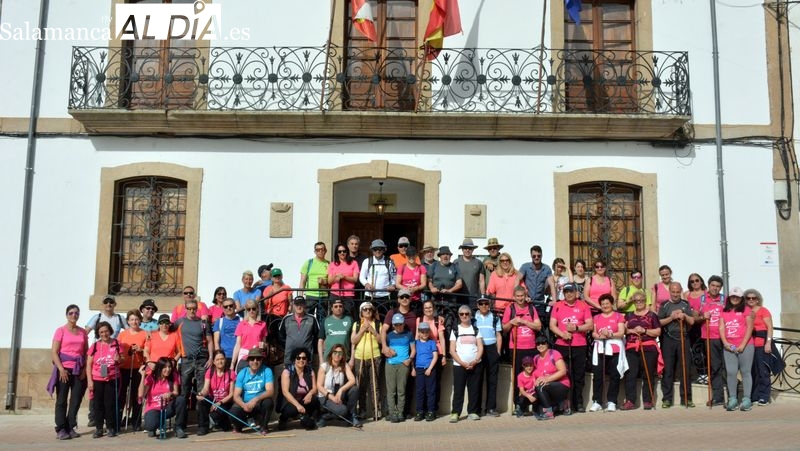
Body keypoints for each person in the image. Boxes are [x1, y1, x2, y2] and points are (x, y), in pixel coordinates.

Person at [549, 282, 593, 412]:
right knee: (562, 375)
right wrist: (562, 334)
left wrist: (577, 328)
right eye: (566, 292)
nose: (568, 294)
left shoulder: (583, 305)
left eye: (571, 291)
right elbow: (552, 325)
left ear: (576, 293)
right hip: (561, 344)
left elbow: (590, 325)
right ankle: (562, 402)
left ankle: (578, 403)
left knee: (578, 375)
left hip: (579, 345)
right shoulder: (558, 305)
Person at [49, 304, 88, 440]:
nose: (74, 315)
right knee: (61, 400)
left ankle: (70, 426)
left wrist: (84, 370)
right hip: (64, 369)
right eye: (71, 313)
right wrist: (61, 369)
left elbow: (86, 352)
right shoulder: (60, 331)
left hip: (78, 369)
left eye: (76, 313)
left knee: (76, 399)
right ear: (66, 315)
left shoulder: (83, 332)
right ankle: (60, 428)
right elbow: (54, 352)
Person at [503, 286, 541, 415]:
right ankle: (518, 404)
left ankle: (535, 404)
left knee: (533, 377)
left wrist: (524, 322)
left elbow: (538, 326)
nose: (520, 298)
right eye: (517, 296)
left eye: (522, 296)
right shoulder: (510, 308)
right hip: (516, 348)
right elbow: (504, 328)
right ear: (514, 296)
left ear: (525, 296)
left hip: (531, 348)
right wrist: (512, 322)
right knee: (518, 378)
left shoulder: (531, 308)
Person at [174, 298, 214, 421]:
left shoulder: (203, 323)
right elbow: (167, 332)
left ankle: (203, 423)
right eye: (189, 308)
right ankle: (181, 423)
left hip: (201, 360)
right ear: (185, 309)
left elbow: (210, 341)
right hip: (186, 360)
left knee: (202, 392)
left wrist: (211, 357)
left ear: (197, 309)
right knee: (184, 392)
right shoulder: (179, 322)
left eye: (194, 308)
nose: (192, 311)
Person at [658, 281, 695, 408]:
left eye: (677, 292)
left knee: (685, 368)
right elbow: (659, 322)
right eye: (673, 292)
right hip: (668, 339)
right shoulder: (665, 305)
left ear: (680, 291)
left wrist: (684, 315)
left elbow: (692, 321)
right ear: (670, 291)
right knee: (668, 369)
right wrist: (672, 317)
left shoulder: (685, 304)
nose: (675, 294)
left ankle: (686, 398)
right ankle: (667, 399)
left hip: (683, 338)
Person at [622, 290, 661, 410]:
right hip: (632, 348)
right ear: (633, 302)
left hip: (648, 347)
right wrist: (632, 331)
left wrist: (644, 331)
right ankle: (630, 401)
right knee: (630, 374)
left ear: (645, 301)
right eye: (636, 301)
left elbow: (658, 331)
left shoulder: (652, 315)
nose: (639, 302)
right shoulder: (628, 315)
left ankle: (648, 400)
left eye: (641, 300)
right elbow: (623, 330)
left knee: (648, 374)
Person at [589, 294, 627, 413]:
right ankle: (597, 401)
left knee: (614, 375)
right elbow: (593, 333)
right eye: (603, 304)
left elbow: (621, 333)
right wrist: (600, 336)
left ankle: (612, 401)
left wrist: (610, 335)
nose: (605, 306)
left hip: (615, 349)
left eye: (607, 303)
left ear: (612, 304)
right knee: (598, 376)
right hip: (600, 348)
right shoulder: (597, 317)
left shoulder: (618, 316)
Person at [720, 287, 755, 411]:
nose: (735, 299)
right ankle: (733, 399)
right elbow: (722, 327)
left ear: (741, 298)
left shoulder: (746, 310)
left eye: (737, 297)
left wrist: (743, 345)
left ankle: (746, 399)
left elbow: (750, 328)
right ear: (729, 297)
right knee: (731, 372)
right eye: (733, 296)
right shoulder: (724, 310)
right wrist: (725, 343)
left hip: (746, 346)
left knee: (745, 372)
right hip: (729, 346)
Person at [86, 321, 122, 438]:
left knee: (110, 404)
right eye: (101, 332)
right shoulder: (95, 346)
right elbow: (88, 364)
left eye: (106, 331)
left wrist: (119, 359)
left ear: (110, 331)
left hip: (112, 378)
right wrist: (90, 381)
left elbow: (123, 359)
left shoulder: (116, 343)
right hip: (97, 379)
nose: (104, 334)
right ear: (98, 333)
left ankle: (111, 427)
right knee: (98, 405)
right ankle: (99, 428)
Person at [449, 305, 484, 423]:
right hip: (459, 366)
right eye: (462, 314)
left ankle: (473, 412)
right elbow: (452, 350)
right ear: (459, 316)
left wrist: (475, 360)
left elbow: (480, 347)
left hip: (475, 364)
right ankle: (455, 413)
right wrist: (462, 363)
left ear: (470, 315)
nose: (464, 316)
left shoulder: (476, 330)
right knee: (459, 390)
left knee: (474, 389)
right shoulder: (455, 330)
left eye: (467, 314)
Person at [230, 348, 275, 435]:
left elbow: (270, 391)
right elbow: (236, 395)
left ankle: (263, 426)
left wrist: (255, 400)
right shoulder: (242, 373)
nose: (255, 361)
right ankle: (239, 427)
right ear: (248, 360)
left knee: (268, 403)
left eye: (258, 359)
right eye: (252, 359)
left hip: (259, 403)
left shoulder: (267, 371)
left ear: (261, 360)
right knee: (233, 412)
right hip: (245, 403)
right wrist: (244, 405)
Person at [139, 357, 186, 439]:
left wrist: (170, 393)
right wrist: (143, 376)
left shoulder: (173, 376)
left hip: (167, 407)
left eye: (169, 367)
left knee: (181, 399)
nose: (168, 369)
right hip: (153, 408)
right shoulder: (151, 377)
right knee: (151, 426)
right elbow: (141, 394)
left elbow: (176, 392)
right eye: (165, 367)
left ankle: (178, 427)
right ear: (159, 368)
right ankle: (155, 426)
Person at [316, 343, 361, 428]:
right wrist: (331, 397)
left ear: (343, 355)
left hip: (338, 395)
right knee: (343, 411)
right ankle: (326, 416)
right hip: (326, 397)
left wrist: (341, 390)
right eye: (335, 352)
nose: (337, 354)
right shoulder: (324, 366)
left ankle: (352, 416)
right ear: (331, 353)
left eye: (340, 353)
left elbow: (352, 380)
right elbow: (319, 386)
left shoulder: (344, 365)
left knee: (354, 389)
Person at [697, 275, 725, 406]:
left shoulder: (725, 299)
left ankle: (732, 396)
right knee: (715, 367)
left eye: (718, 286)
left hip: (725, 337)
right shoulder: (702, 299)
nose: (715, 288)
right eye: (713, 285)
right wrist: (703, 316)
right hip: (709, 337)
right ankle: (718, 397)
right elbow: (694, 316)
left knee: (728, 367)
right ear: (708, 285)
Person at [351, 302, 382, 419]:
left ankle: (376, 411)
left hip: (375, 356)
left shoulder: (378, 323)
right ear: (361, 312)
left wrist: (373, 331)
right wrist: (362, 330)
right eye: (365, 309)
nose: (368, 311)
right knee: (360, 385)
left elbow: (381, 341)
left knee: (375, 385)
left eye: (370, 309)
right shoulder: (357, 324)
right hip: (360, 357)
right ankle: (362, 410)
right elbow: (353, 341)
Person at [118, 310, 147, 431]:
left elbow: (149, 351)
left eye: (136, 319)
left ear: (140, 320)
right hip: (123, 367)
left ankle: (136, 421)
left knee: (137, 396)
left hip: (138, 368)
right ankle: (118, 420)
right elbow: (118, 349)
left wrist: (141, 349)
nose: (134, 322)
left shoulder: (145, 334)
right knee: (121, 396)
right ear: (128, 321)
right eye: (132, 319)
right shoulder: (123, 334)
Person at [195, 350, 236, 435]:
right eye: (217, 359)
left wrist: (219, 403)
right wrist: (202, 394)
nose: (220, 361)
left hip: (225, 402)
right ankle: (203, 427)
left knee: (219, 417)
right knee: (201, 401)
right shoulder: (210, 372)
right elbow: (206, 389)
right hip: (212, 400)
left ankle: (220, 423)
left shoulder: (231, 373)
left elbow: (232, 394)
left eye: (222, 359)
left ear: (225, 360)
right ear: (213, 361)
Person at [384, 313, 416, 422]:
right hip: (390, 364)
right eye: (396, 324)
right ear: (393, 325)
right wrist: (388, 351)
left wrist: (409, 360)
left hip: (403, 365)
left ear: (403, 324)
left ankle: (400, 412)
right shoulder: (389, 336)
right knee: (391, 391)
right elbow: (384, 349)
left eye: (400, 324)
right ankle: (393, 413)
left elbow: (413, 349)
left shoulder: (409, 334)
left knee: (401, 390)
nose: (398, 326)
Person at [475, 296, 502, 417]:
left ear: (489, 304)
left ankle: (491, 408)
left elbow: (498, 335)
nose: (484, 306)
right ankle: (477, 409)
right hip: (478, 349)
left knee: (492, 380)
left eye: (486, 303)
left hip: (491, 349)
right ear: (478, 305)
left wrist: (498, 351)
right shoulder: (472, 317)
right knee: (477, 379)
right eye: (481, 304)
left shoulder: (495, 317)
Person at [531, 336, 571, 420]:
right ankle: (561, 404)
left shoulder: (554, 353)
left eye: (543, 343)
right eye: (538, 344)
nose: (540, 345)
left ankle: (549, 413)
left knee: (540, 387)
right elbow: (536, 373)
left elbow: (563, 371)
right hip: (547, 386)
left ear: (547, 344)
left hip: (561, 384)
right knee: (538, 410)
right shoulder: (536, 358)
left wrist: (547, 379)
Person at [279, 348, 320, 431]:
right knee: (292, 410)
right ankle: (283, 419)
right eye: (298, 358)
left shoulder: (310, 371)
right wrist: (298, 406)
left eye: (304, 358)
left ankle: (307, 417)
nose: (301, 360)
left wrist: (310, 394)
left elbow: (315, 388)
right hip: (290, 401)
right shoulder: (287, 372)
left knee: (314, 399)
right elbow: (285, 392)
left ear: (307, 359)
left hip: (303, 400)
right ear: (294, 359)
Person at [746, 288, 774, 405]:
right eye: (748, 298)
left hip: (762, 343)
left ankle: (764, 396)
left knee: (763, 370)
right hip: (749, 343)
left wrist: (768, 342)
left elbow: (770, 328)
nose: (751, 300)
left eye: (754, 298)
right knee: (752, 371)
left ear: (758, 300)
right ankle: (754, 396)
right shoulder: (745, 311)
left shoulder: (763, 311)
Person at [517, 245, 556, 324]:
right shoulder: (525, 267)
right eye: (534, 256)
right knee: (526, 324)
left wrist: (554, 300)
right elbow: (517, 280)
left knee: (540, 326)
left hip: (540, 303)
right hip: (527, 302)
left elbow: (552, 284)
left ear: (542, 255)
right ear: (531, 256)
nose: (536, 257)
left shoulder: (547, 268)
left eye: (538, 256)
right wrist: (519, 296)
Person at [278, 296, 320, 366]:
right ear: (294, 306)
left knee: (307, 376)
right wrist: (289, 345)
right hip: (290, 357)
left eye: (301, 304)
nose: (299, 307)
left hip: (306, 358)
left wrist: (312, 348)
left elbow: (317, 336)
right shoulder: (286, 319)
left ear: (305, 305)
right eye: (297, 305)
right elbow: (281, 336)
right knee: (289, 376)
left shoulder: (312, 319)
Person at [412, 321, 439, 422]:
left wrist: (430, 368)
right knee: (419, 391)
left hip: (429, 369)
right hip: (419, 369)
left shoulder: (432, 342)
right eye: (422, 332)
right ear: (418, 332)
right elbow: (413, 357)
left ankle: (431, 411)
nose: (424, 334)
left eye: (426, 331)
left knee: (430, 392)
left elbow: (435, 356)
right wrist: (413, 368)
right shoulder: (416, 343)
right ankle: (420, 412)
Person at [231, 299, 267, 371]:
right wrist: (232, 363)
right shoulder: (241, 324)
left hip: (257, 356)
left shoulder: (263, 324)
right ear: (246, 310)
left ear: (257, 309)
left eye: (253, 308)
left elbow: (264, 343)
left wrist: (264, 346)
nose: (251, 311)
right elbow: (238, 344)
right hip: (244, 356)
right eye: (249, 309)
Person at [328, 242, 360, 316]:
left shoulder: (353, 263)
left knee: (348, 316)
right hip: (335, 294)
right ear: (337, 253)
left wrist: (344, 277)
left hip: (348, 294)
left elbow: (355, 279)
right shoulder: (332, 264)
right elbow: (329, 281)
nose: (342, 253)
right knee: (334, 315)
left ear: (347, 252)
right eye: (339, 251)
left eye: (344, 251)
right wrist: (336, 277)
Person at [299, 241, 330, 319]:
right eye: (317, 250)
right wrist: (300, 296)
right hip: (311, 296)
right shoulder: (309, 263)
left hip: (324, 296)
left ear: (325, 250)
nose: (320, 251)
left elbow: (331, 281)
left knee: (322, 319)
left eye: (322, 249)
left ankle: (320, 331)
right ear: (315, 251)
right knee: (308, 318)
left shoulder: (329, 264)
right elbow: (302, 281)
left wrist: (325, 281)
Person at [319, 298, 354, 365]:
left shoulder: (349, 320)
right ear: (331, 308)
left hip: (345, 359)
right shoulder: (326, 320)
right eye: (336, 306)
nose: (338, 308)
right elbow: (320, 341)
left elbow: (353, 342)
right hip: (328, 359)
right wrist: (321, 360)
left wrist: (352, 359)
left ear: (343, 308)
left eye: (340, 306)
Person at [454, 238, 486, 308]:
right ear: (462, 249)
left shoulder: (478, 263)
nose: (467, 250)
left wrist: (483, 296)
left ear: (473, 249)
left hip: (474, 297)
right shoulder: (456, 262)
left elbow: (481, 281)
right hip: (459, 296)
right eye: (465, 248)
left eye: (470, 248)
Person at [262, 268, 291, 337]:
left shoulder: (286, 288)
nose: (277, 277)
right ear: (271, 278)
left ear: (282, 276)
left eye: (279, 275)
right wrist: (269, 295)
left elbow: (291, 303)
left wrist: (289, 313)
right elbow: (264, 304)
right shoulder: (268, 289)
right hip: (270, 315)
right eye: (275, 276)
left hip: (282, 316)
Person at [212, 298, 241, 369]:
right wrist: (219, 358)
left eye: (230, 306)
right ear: (223, 308)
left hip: (239, 356)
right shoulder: (219, 322)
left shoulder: (241, 321)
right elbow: (216, 342)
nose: (228, 308)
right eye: (226, 306)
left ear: (234, 306)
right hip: (224, 357)